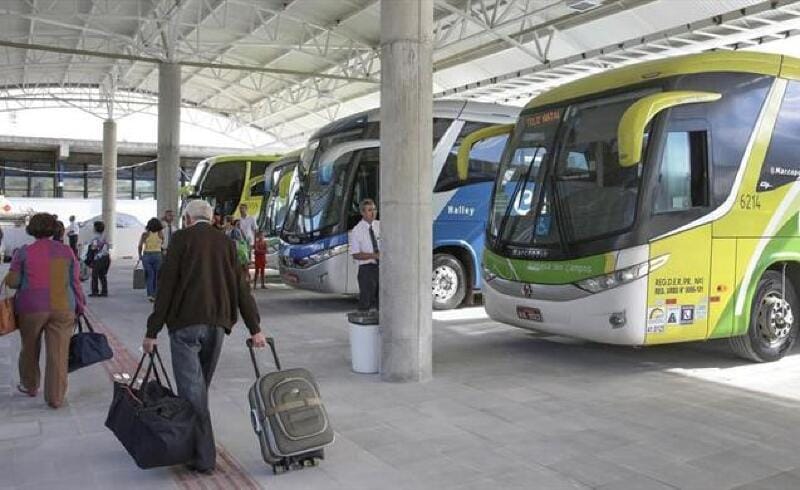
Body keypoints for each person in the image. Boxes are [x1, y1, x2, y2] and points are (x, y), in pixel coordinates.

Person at [142, 199, 266, 474]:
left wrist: (152, 331)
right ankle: (192, 445)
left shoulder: (180, 240)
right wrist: (254, 327)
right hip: (217, 326)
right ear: (211, 219)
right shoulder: (226, 243)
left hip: (185, 326)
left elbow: (166, 287)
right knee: (197, 391)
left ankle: (203, 457)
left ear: (187, 218)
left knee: (193, 393)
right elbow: (241, 287)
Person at [4, 213, 86, 408]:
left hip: (31, 307)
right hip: (63, 306)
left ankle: (30, 386)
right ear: (53, 229)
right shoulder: (66, 251)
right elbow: (75, 282)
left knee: (30, 347)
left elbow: (13, 282)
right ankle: (56, 397)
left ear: (32, 229)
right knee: (58, 352)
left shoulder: (23, 252)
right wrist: (80, 305)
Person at [349, 198, 380, 311]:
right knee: (366, 299)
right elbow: (355, 254)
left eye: (374, 209)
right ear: (362, 212)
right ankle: (363, 325)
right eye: (369, 210)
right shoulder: (357, 231)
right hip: (367, 269)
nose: (373, 213)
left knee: (383, 300)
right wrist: (374, 256)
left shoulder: (380, 226)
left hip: (382, 268)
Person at [138, 218, 164, 302]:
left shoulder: (145, 234)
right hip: (158, 255)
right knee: (157, 276)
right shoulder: (160, 234)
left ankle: (150, 295)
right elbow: (162, 243)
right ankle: (155, 295)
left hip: (147, 255)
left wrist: (140, 255)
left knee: (150, 276)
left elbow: (140, 246)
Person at [88, 221, 110, 297]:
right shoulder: (105, 237)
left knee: (94, 275)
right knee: (102, 275)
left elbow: (94, 248)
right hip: (106, 257)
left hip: (98, 258)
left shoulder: (95, 238)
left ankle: (95, 291)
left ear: (95, 228)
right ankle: (104, 291)